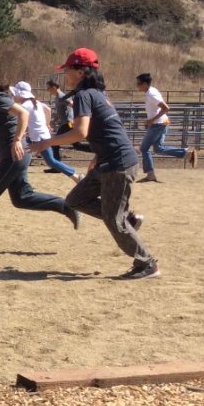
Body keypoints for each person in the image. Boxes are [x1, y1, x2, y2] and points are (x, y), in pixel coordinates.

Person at [29, 49, 156, 279]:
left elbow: (80, 132)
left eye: (68, 69)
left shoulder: (84, 96)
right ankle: (128, 219)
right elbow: (108, 130)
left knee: (112, 219)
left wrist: (47, 143)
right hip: (108, 161)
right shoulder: (98, 95)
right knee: (76, 200)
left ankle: (147, 263)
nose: (65, 74)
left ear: (81, 71)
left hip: (117, 164)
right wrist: (96, 156)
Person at [0, 64, 78, 252]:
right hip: (14, 157)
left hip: (14, 156)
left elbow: (23, 113)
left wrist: (18, 139)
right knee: (22, 198)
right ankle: (65, 206)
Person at [11, 80, 79, 182]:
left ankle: (75, 176)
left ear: (21, 95)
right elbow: (48, 110)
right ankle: (16, 178)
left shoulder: (25, 106)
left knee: (51, 161)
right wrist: (46, 124)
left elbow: (22, 119)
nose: (14, 96)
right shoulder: (36, 102)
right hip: (37, 136)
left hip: (38, 138)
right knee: (19, 153)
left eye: (15, 94)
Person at [137, 72, 197, 182]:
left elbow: (166, 108)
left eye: (139, 84)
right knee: (158, 149)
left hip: (158, 124)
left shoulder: (151, 94)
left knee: (144, 148)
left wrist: (151, 120)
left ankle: (150, 174)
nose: (137, 86)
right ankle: (187, 153)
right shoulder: (152, 91)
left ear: (145, 84)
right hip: (162, 122)